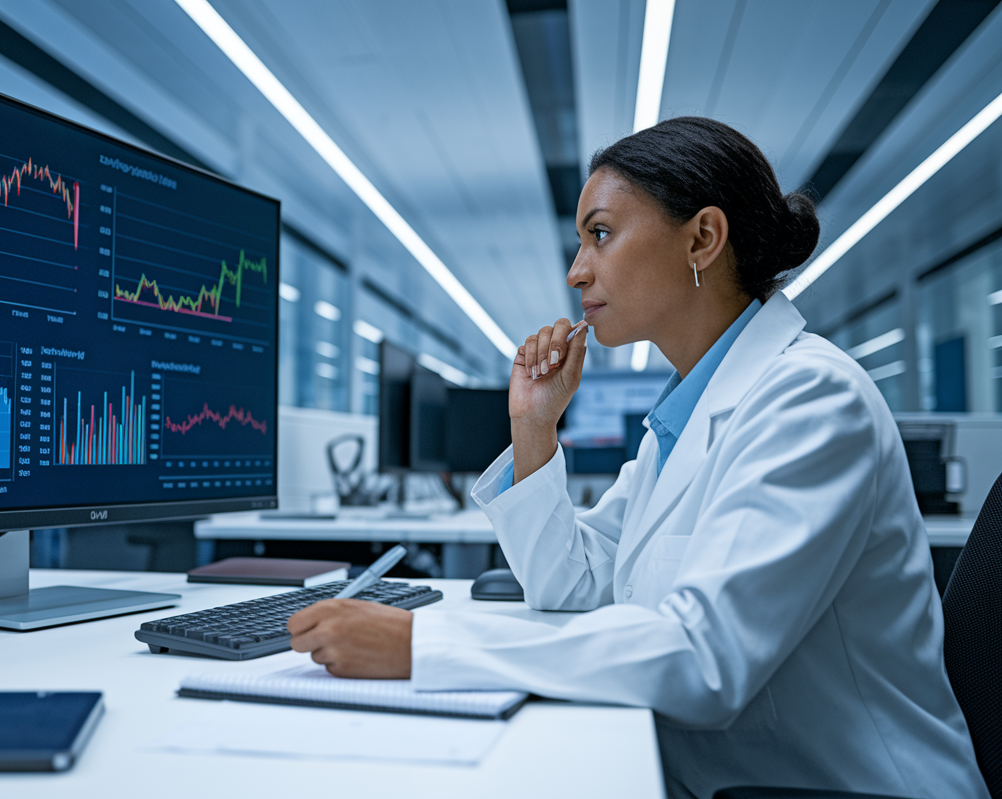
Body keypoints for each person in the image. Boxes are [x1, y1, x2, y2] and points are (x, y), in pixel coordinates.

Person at [287, 117, 987, 798]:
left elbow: (704, 660)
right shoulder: (684, 417)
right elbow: (576, 586)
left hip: (834, 786)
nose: (575, 271)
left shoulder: (810, 401)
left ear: (703, 238)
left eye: (600, 234)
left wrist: (421, 649)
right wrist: (534, 429)